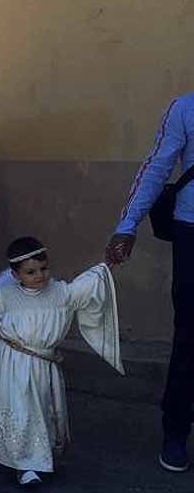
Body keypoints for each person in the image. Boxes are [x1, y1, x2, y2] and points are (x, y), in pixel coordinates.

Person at [0, 238, 122, 487]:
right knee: (21, 410)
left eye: (44, 269)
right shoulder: (6, 297)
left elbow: (87, 286)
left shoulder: (60, 292)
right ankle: (24, 465)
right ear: (15, 275)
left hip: (44, 364)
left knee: (44, 408)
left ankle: (40, 458)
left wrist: (106, 267)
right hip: (13, 365)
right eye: (30, 272)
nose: (40, 276)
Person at [105, 93, 194, 472]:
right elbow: (157, 166)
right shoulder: (185, 108)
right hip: (192, 231)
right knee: (190, 336)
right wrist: (127, 224)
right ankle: (175, 429)